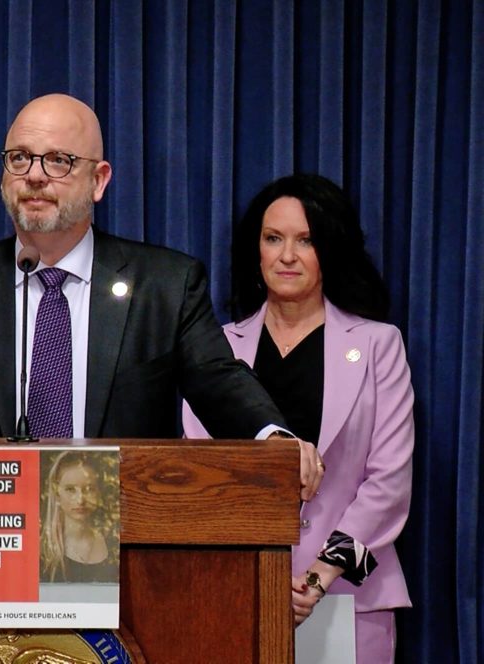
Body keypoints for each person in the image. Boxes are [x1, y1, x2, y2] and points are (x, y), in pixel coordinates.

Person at [0, 93, 323, 499]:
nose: (35, 175)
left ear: (99, 180)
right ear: (2, 177)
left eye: (59, 161)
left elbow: (218, 382)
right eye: (20, 159)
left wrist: (273, 438)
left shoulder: (164, 285)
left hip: (123, 555)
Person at [182, 174, 414, 663]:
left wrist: (317, 577)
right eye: (273, 239)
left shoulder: (378, 345)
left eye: (305, 240)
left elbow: (388, 482)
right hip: (235, 594)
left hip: (351, 597)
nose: (287, 256)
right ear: (256, 249)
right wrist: (259, 578)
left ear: (330, 249)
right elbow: (203, 474)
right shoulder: (215, 349)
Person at [40, 451, 119, 583]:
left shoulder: (113, 543)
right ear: (57, 494)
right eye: (70, 489)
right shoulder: (42, 551)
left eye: (89, 489)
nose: (80, 500)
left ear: (98, 491)